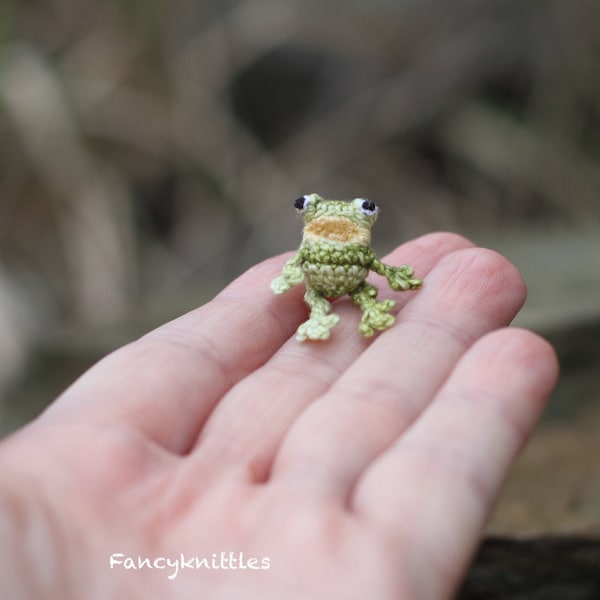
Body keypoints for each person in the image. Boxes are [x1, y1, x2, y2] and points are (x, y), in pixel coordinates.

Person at [0, 233, 558, 599]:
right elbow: (294, 270)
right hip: (321, 299)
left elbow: (378, 267)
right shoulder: (310, 253)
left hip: (358, 297)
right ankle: (324, 318)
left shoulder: (355, 255)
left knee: (373, 304)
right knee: (324, 308)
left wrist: (397, 282)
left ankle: (361, 312)